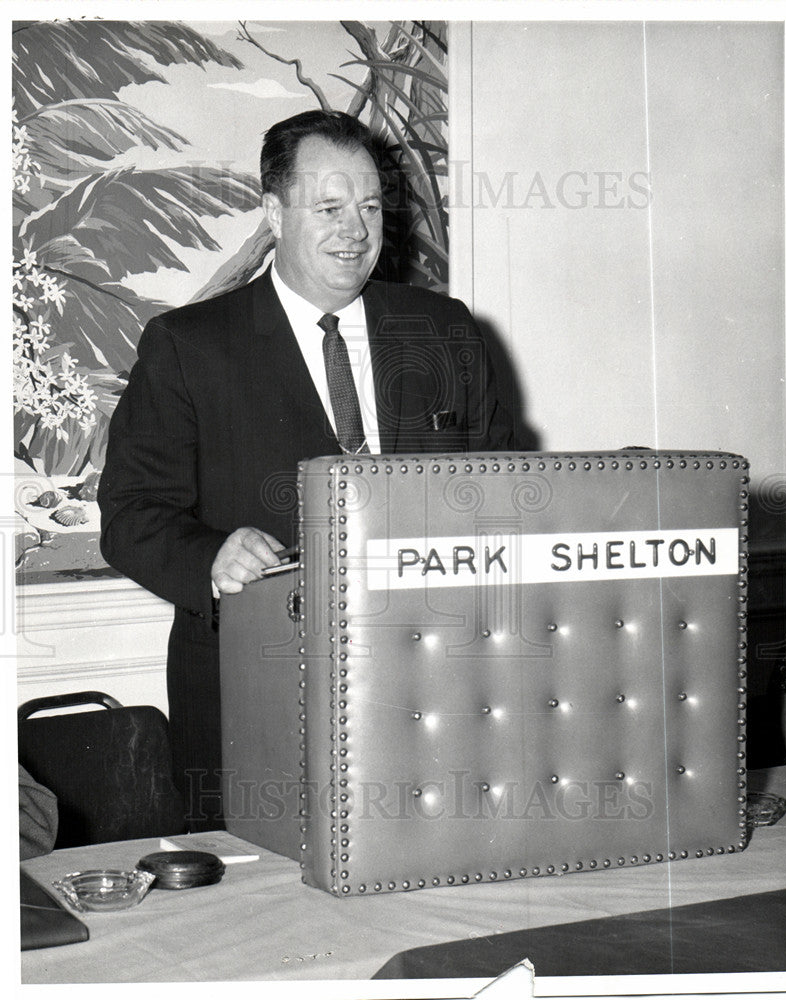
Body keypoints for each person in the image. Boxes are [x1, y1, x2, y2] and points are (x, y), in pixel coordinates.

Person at [98, 110, 516, 829]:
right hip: (254, 695)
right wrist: (211, 555)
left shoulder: (445, 331)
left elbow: (507, 495)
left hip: (434, 693)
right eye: (328, 207)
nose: (354, 229)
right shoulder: (188, 346)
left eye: (369, 207)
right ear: (273, 211)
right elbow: (131, 514)